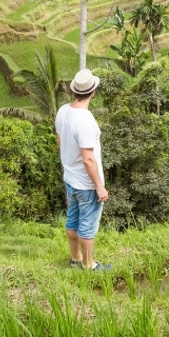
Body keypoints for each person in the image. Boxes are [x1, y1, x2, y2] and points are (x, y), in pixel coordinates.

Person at [56, 69, 111, 271]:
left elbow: (59, 141)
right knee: (87, 225)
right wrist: (100, 187)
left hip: (70, 178)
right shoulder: (86, 121)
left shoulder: (63, 111)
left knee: (73, 219)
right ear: (93, 91)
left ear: (74, 92)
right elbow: (88, 160)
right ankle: (89, 265)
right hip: (86, 184)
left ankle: (75, 258)